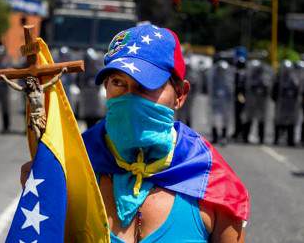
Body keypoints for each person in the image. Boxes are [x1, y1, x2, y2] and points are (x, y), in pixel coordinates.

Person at [20, 25, 249, 242]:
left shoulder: (215, 185)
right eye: (118, 82)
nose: (130, 97)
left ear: (180, 94)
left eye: (145, 85)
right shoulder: (71, 165)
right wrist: (42, 192)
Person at [243, 59, 273, 144]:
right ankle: (245, 137)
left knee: (261, 120)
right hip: (252, 100)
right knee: (249, 118)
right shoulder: (251, 77)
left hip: (261, 101)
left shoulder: (265, 78)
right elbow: (249, 87)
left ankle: (261, 138)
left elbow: (268, 88)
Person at [272, 60, 301, 146]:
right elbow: (274, 91)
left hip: (291, 105)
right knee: (278, 121)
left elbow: (297, 91)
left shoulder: (294, 79)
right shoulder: (278, 79)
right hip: (281, 104)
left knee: (291, 122)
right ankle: (276, 139)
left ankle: (290, 140)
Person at [208, 59, 234, 145]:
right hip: (216, 101)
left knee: (225, 119)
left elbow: (231, 91)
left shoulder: (228, 81)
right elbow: (211, 90)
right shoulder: (214, 80)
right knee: (214, 119)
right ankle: (215, 136)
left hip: (225, 102)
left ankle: (223, 136)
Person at [232, 56, 247, 141]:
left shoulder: (239, 73)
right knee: (240, 115)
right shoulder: (241, 73)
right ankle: (239, 132)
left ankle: (239, 132)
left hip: (240, 95)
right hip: (241, 95)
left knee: (239, 115)